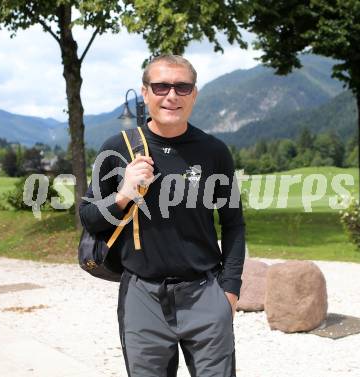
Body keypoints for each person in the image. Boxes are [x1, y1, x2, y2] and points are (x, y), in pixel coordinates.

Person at [79, 54, 246, 377]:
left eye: (182, 87)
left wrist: (230, 290)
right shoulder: (117, 149)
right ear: (145, 93)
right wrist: (124, 194)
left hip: (205, 292)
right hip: (142, 296)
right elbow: (88, 217)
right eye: (161, 86)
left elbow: (233, 224)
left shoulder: (213, 151)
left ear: (194, 94)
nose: (171, 96)